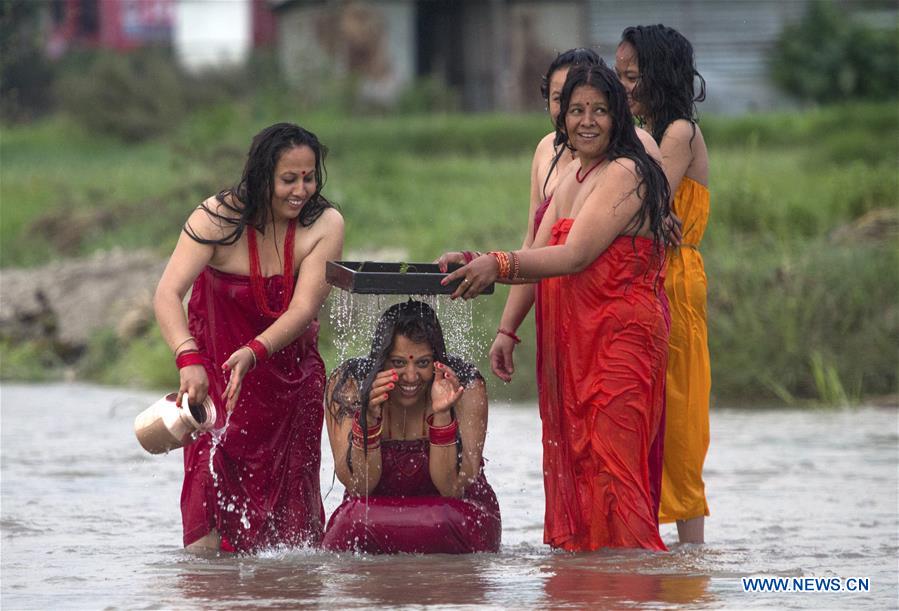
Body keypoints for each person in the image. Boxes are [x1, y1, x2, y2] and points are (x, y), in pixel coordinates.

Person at [442, 61, 672, 551]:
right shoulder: (571, 176)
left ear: (618, 116)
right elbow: (536, 254)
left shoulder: (627, 171)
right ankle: (585, 584)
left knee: (614, 472)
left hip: (620, 341)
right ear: (561, 118)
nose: (587, 121)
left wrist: (496, 264)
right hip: (571, 346)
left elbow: (574, 255)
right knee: (578, 467)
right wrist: (475, 263)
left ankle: (634, 583)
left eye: (600, 110)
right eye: (576, 110)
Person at [153, 123, 345, 552]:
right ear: (261, 176)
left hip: (291, 388)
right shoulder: (215, 218)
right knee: (206, 535)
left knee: (292, 545)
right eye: (288, 179)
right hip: (216, 387)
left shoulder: (325, 224)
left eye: (309, 178)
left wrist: (254, 351)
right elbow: (167, 293)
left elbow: (303, 309)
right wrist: (187, 358)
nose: (301, 190)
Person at [616, 25, 711, 544]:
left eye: (631, 76)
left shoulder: (677, 134)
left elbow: (644, 202)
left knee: (678, 421)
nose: (621, 87)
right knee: (648, 417)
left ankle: (691, 558)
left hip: (672, 279)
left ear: (659, 76)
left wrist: (655, 212)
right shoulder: (650, 134)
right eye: (618, 75)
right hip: (651, 275)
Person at [321, 300, 501, 554]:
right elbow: (360, 487)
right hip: (370, 516)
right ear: (380, 362)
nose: (411, 376)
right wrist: (368, 419)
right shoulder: (349, 384)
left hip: (454, 514)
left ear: (437, 361)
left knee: (443, 520)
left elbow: (451, 488)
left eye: (423, 363)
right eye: (398, 363)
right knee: (351, 522)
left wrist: (442, 414)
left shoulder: (464, 386)